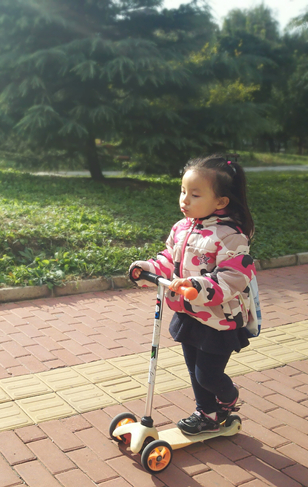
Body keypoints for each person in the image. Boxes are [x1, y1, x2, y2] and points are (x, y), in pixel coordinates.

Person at [129, 154, 256, 435]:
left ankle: (228, 397)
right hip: (190, 314)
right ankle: (207, 413)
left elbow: (234, 276)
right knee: (193, 370)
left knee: (207, 373)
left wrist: (199, 287)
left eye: (195, 194)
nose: (184, 200)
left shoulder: (230, 236)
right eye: (183, 191)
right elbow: (169, 260)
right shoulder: (182, 228)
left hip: (218, 320)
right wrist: (149, 268)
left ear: (221, 201)